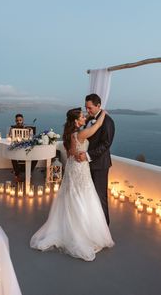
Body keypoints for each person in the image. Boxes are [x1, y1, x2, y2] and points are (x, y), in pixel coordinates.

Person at [30, 108, 114, 261]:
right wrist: (103, 113)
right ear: (76, 121)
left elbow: (72, 151)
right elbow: (96, 126)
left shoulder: (69, 134)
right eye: (82, 116)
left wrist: (89, 117)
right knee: (83, 196)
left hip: (71, 166)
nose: (84, 116)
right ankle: (81, 231)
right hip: (80, 167)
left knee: (72, 196)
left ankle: (70, 226)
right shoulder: (81, 134)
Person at [76, 93, 115, 225]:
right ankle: (92, 224)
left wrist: (88, 156)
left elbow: (106, 144)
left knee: (100, 196)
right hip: (86, 165)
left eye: (90, 108)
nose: (87, 111)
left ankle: (104, 227)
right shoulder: (88, 119)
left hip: (99, 165)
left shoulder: (108, 121)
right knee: (90, 196)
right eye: (86, 108)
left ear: (98, 106)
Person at [10, 113, 37, 183]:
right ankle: (17, 174)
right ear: (15, 121)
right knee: (13, 157)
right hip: (17, 148)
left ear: (23, 120)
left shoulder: (27, 128)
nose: (19, 122)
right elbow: (10, 137)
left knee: (36, 157)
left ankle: (29, 173)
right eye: (17, 120)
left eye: (20, 120)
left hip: (26, 147)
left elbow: (32, 137)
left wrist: (30, 132)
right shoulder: (12, 128)